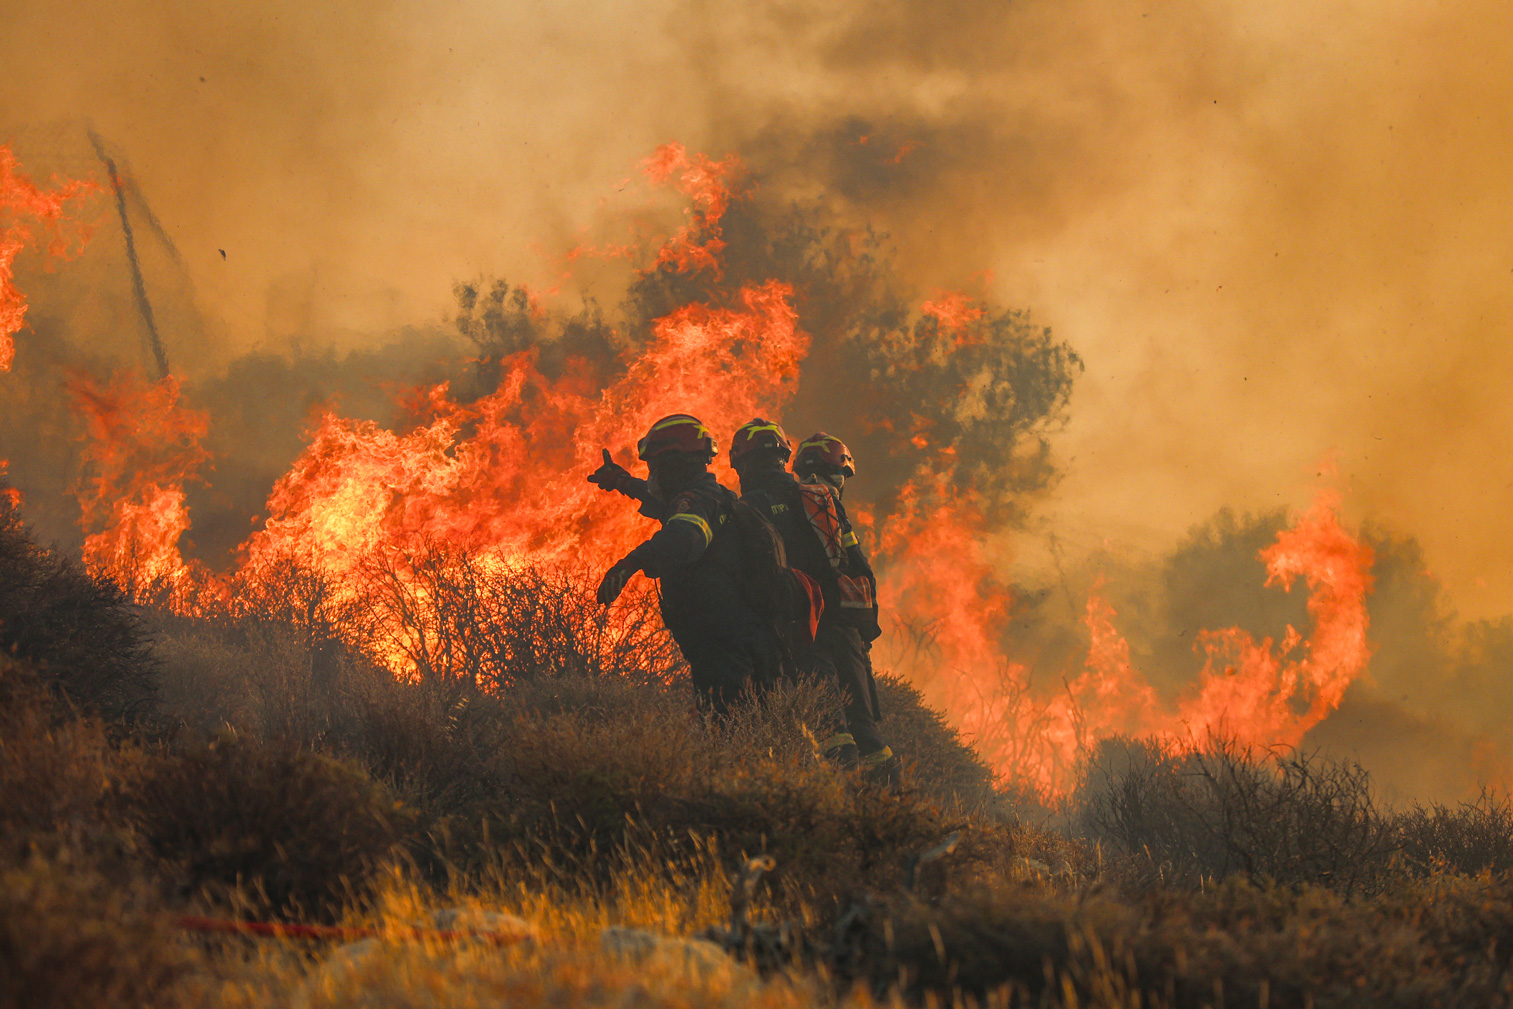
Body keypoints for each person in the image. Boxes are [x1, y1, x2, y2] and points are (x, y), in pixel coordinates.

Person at [729, 420, 896, 784]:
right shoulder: (823, 501)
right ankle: (895, 810)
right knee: (866, 730)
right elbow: (861, 570)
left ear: (743, 463)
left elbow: (746, 579)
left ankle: (845, 810)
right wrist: (865, 630)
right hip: (846, 630)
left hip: (801, 627)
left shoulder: (748, 508)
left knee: (830, 726)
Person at [590, 414, 784, 712]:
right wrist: (622, 481)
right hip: (741, 637)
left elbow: (682, 537)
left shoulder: (698, 502)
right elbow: (668, 506)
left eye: (656, 467)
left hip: (725, 644)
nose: (653, 476)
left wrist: (630, 563)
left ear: (675, 464)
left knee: (729, 727)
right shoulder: (711, 495)